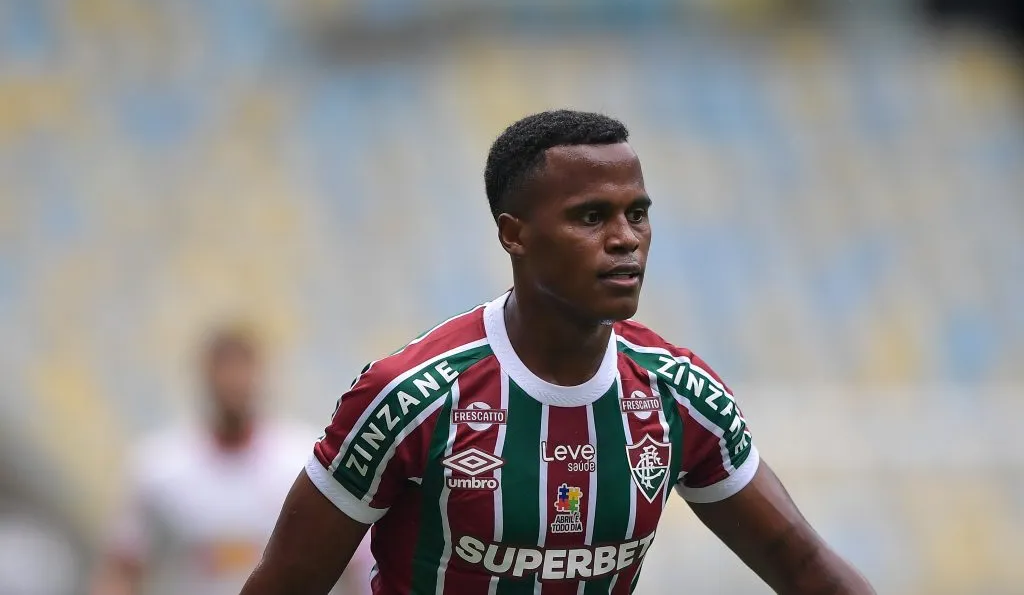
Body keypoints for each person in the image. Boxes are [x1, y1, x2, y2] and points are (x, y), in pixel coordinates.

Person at [239, 110, 875, 594]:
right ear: (514, 235)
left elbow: (803, 563)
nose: (626, 239)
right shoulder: (412, 396)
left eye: (638, 213)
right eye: (592, 216)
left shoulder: (679, 393)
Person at [92, 326, 372, 595]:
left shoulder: (307, 463)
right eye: (223, 368)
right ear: (204, 376)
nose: (233, 381)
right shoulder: (158, 468)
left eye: (242, 368)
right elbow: (122, 571)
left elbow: (357, 565)